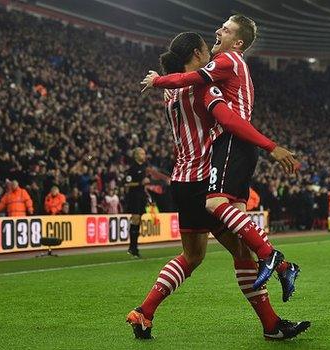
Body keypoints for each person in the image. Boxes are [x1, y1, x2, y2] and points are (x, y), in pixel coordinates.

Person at [128, 32, 309, 341]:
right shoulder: (201, 85)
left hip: (181, 179)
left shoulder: (170, 93)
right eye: (205, 51)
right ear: (198, 53)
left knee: (192, 256)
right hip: (204, 177)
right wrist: (270, 147)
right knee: (242, 252)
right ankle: (271, 322)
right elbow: (228, 119)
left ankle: (144, 312)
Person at [141, 14, 300, 290]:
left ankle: (274, 260)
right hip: (217, 158)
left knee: (197, 249)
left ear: (237, 42)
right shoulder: (207, 85)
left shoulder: (195, 83)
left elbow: (198, 87)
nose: (218, 31)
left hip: (191, 171)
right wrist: (270, 147)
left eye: (225, 29)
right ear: (197, 52)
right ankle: (279, 268)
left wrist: (159, 81)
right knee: (235, 240)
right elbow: (222, 113)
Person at [124, 147, 150, 257]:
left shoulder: (143, 167)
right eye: (142, 154)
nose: (144, 155)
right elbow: (127, 183)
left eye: (144, 153)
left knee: (138, 220)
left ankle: (134, 247)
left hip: (141, 196)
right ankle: (132, 247)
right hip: (134, 196)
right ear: (136, 155)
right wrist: (140, 183)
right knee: (135, 219)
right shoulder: (132, 168)